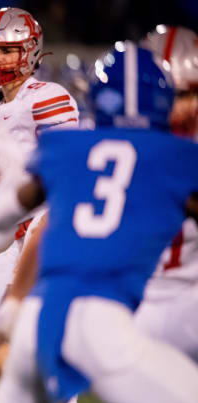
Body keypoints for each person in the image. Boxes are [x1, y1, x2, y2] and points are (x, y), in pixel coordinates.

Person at [0, 42, 198, 403]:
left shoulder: (64, 146)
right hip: (100, 322)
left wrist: (11, 173)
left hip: (38, 316)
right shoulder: (179, 157)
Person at [0, 7, 79, 364]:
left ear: (31, 51)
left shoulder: (46, 96)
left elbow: (70, 165)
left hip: (51, 226)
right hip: (22, 233)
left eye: (7, 49)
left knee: (26, 335)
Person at [132, 25, 198, 361]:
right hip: (141, 301)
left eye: (188, 95)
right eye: (170, 96)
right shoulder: (121, 147)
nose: (180, 109)